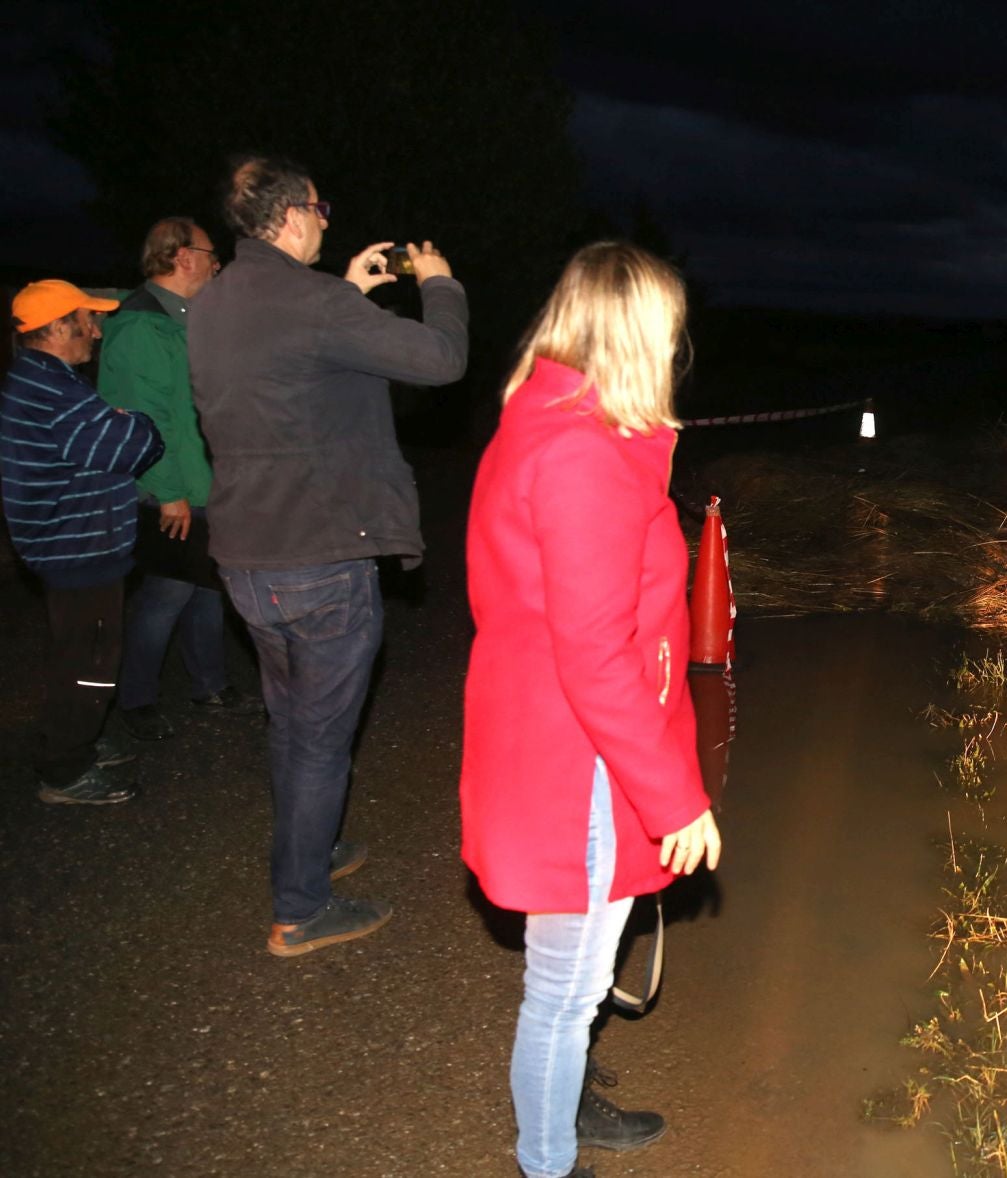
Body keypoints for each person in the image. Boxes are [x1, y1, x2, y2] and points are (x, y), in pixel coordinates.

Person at [461, 242, 721, 1178]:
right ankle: (545, 1159)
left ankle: (566, 1108)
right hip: (580, 762)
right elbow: (595, 657)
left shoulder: (552, 415)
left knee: (569, 984)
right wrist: (675, 798)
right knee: (562, 993)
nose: (678, 342)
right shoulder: (581, 454)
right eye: (670, 327)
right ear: (639, 330)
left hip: (549, 729)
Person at [188, 155, 468, 956]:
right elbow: (441, 360)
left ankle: (307, 850)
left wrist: (346, 291)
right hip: (316, 558)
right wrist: (441, 284)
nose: (326, 219)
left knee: (291, 721)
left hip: (246, 555)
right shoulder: (309, 303)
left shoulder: (214, 302)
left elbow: (294, 367)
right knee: (319, 737)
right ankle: (301, 908)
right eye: (319, 208)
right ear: (290, 215)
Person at [97, 216, 262, 741]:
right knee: (167, 592)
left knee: (207, 588)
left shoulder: (187, 317)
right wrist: (168, 493)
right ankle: (137, 697)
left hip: (204, 482)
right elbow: (142, 420)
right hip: (173, 488)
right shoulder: (142, 325)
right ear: (181, 256)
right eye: (210, 253)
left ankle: (209, 685)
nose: (218, 263)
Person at [2, 280, 163, 804]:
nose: (96, 331)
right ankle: (64, 771)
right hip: (76, 549)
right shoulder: (54, 390)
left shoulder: (43, 379)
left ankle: (74, 743)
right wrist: (137, 422)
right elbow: (133, 444)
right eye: (86, 320)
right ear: (54, 328)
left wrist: (119, 424)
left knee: (79, 656)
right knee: (89, 666)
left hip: (72, 545)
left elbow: (107, 441)